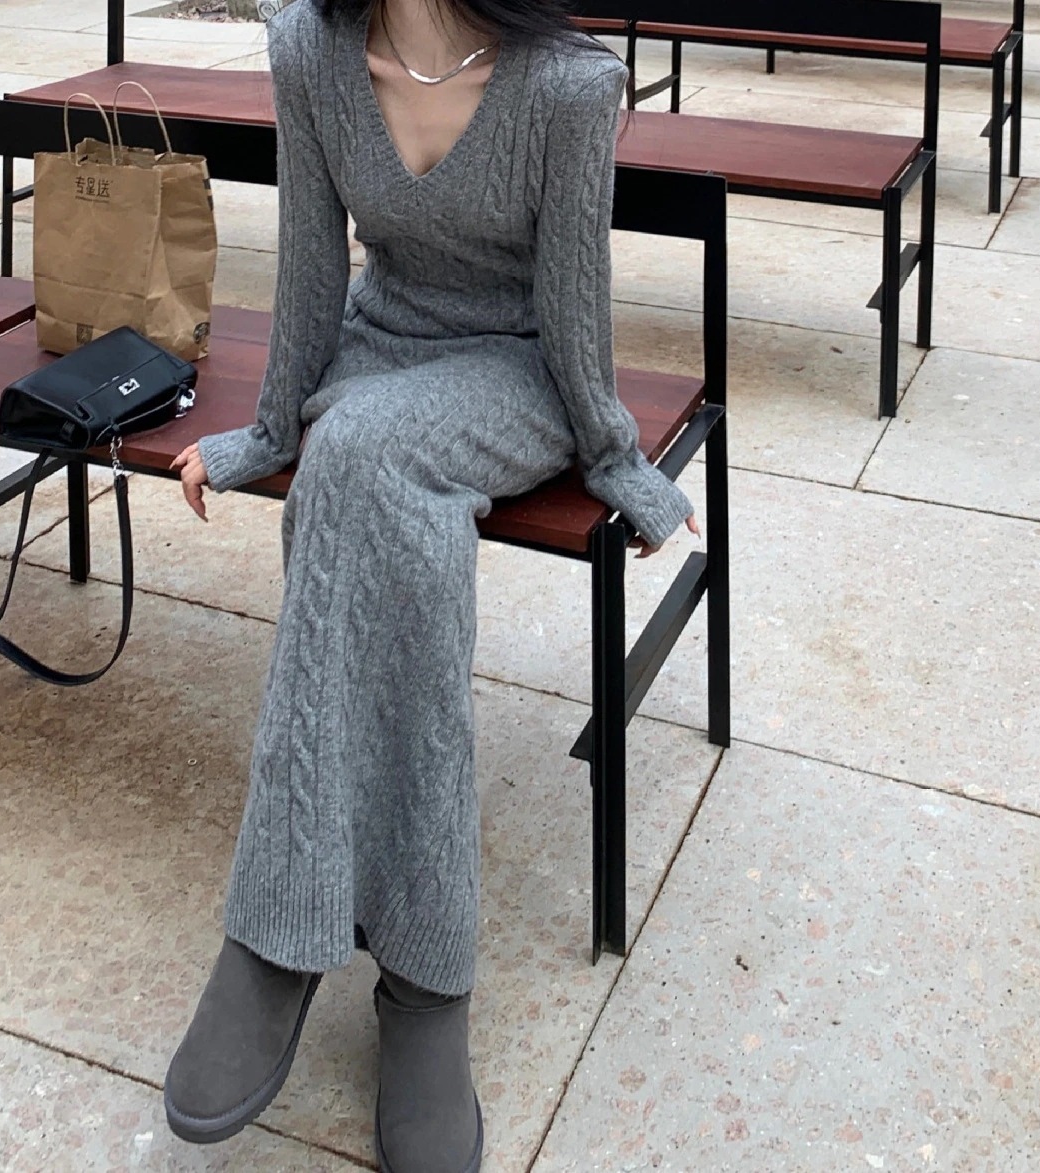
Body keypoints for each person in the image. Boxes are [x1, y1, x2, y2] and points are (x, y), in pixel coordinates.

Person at [165, 0, 698, 1168]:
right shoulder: (306, 47)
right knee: (354, 480)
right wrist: (269, 433)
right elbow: (311, 259)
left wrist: (620, 462)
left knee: (358, 463)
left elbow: (575, 305)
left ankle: (282, 928)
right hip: (379, 353)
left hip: (517, 374)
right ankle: (421, 971)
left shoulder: (565, 85)